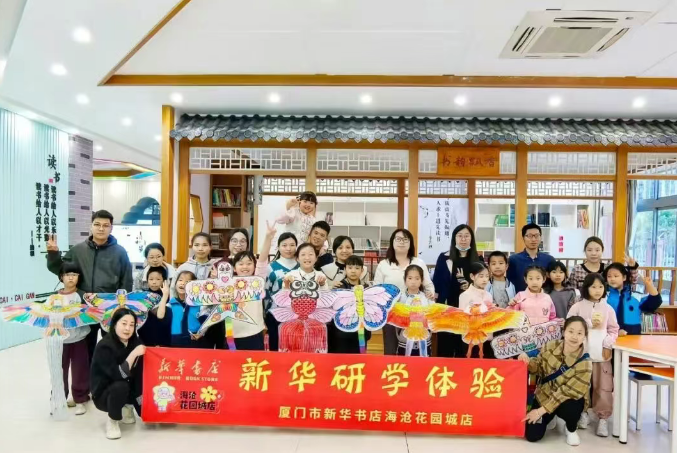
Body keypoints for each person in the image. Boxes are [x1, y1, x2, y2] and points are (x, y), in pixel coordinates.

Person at [46, 210, 133, 362]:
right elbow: (62, 271)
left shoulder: (120, 252)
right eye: (97, 224)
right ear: (91, 226)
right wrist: (53, 255)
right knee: (86, 349)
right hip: (84, 307)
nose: (101, 228)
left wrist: (122, 306)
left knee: (113, 346)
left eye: (106, 225)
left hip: (110, 308)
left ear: (111, 228)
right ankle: (88, 376)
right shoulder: (78, 250)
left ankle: (110, 374)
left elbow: (126, 280)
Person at [519, 316, 592, 446]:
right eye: (571, 331)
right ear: (564, 332)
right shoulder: (550, 346)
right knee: (532, 435)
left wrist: (539, 412)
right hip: (545, 395)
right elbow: (539, 367)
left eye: (579, 333)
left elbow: (565, 393)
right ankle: (550, 416)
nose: (574, 337)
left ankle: (570, 428)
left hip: (566, 400)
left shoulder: (585, 363)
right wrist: (528, 362)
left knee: (571, 408)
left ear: (584, 337)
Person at [567, 273, 619, 437]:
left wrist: (607, 343)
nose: (597, 290)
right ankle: (583, 413)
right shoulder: (577, 307)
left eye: (600, 287)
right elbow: (569, 327)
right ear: (586, 288)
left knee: (603, 386)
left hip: (601, 355)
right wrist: (588, 324)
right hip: (581, 354)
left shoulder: (608, 308)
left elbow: (614, 329)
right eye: (593, 287)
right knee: (581, 385)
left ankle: (603, 418)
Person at [373, 229, 434, 355]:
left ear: (410, 243)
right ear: (392, 242)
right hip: (391, 314)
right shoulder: (384, 264)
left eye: (405, 239)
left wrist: (430, 295)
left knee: (412, 352)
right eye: (398, 239)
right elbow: (376, 290)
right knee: (390, 349)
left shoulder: (418, 262)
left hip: (415, 317)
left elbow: (428, 286)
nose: (402, 242)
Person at [90, 308, 145, 440]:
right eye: (124, 323)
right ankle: (113, 420)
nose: (127, 328)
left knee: (139, 376)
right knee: (120, 385)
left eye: (132, 325)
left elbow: (140, 373)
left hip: (127, 388)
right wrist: (133, 354)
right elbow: (117, 374)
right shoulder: (104, 346)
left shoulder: (135, 342)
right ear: (114, 324)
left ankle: (127, 406)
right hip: (104, 393)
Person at [432, 224, 483, 357]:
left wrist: (471, 287)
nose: (463, 239)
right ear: (454, 238)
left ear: (471, 239)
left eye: (466, 236)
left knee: (465, 347)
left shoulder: (478, 259)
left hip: (469, 310)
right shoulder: (444, 258)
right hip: (447, 308)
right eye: (460, 236)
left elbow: (483, 283)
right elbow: (436, 283)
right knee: (445, 347)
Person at [229, 221, 276, 350]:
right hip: (231, 334)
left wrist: (268, 237)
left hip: (254, 332)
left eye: (249, 263)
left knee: (254, 361)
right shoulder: (228, 283)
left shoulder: (257, 281)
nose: (245, 266)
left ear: (254, 266)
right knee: (231, 362)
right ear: (234, 268)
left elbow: (262, 260)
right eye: (241, 264)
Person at [157, 270, 225, 349]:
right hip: (176, 343)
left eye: (187, 281)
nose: (183, 283)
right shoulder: (171, 304)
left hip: (197, 343)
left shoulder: (200, 303)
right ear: (175, 284)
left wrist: (201, 333)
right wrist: (165, 295)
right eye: (180, 280)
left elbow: (208, 320)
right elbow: (160, 316)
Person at [57, 263, 90, 415]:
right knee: (59, 371)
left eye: (74, 275)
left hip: (79, 339)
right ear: (61, 277)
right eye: (67, 274)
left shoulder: (84, 296)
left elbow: (91, 314)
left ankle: (80, 400)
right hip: (60, 341)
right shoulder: (54, 297)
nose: (71, 278)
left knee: (79, 370)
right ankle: (59, 399)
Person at [328, 254, 372, 354]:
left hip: (361, 331)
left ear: (362, 270)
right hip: (342, 332)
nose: (353, 271)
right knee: (342, 357)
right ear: (345, 269)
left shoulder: (366, 288)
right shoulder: (339, 287)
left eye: (357, 268)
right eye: (350, 267)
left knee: (360, 357)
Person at [602, 263, 662, 335]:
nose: (612, 279)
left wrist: (650, 286)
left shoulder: (636, 296)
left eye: (616, 276)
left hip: (633, 336)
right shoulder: (604, 297)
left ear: (624, 277)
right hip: (610, 336)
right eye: (609, 276)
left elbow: (655, 302)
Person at [264, 232, 299, 352]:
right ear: (278, 247)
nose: (288, 248)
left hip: (297, 315)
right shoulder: (271, 267)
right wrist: (264, 315)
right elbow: (266, 292)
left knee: (294, 347)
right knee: (276, 347)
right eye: (284, 245)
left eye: (292, 245)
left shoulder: (301, 267)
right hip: (275, 314)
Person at [457, 261, 496, 358]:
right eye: (481, 276)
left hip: (486, 337)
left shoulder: (489, 295)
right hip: (470, 338)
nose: (485, 279)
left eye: (487, 276)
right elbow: (462, 319)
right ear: (472, 276)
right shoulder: (464, 296)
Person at [570, 237, 639, 290]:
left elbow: (630, 285)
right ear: (585, 251)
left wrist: (633, 267)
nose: (593, 253)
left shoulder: (608, 268)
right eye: (589, 250)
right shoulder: (577, 269)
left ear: (602, 251)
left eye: (597, 250)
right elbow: (572, 291)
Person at [395, 265, 433, 357]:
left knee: (424, 365)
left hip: (424, 342)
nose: (413, 281)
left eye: (417, 278)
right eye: (410, 278)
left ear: (421, 280)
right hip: (404, 341)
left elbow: (432, 318)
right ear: (405, 280)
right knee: (404, 365)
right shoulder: (399, 298)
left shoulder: (427, 297)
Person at [507, 223, 555, 293]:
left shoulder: (549, 260)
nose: (533, 239)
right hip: (520, 298)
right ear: (523, 238)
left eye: (536, 236)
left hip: (543, 298)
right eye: (529, 236)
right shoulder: (513, 260)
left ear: (540, 237)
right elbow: (508, 282)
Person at [137, 267, 171, 347]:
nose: (154, 282)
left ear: (164, 281)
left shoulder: (168, 296)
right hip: (145, 336)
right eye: (151, 279)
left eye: (158, 279)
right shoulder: (143, 295)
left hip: (163, 337)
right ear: (147, 281)